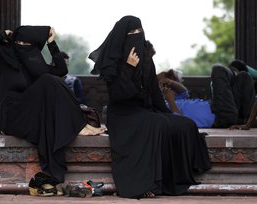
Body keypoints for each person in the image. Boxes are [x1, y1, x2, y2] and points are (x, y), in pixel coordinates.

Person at [88, 15, 211, 198]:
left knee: (184, 124)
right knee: (156, 125)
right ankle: (146, 183)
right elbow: (119, 95)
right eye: (132, 33)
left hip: (143, 111)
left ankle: (177, 177)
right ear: (123, 36)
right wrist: (129, 67)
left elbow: (154, 92)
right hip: (122, 115)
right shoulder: (113, 61)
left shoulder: (146, 59)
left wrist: (168, 114)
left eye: (140, 31)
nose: (137, 36)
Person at [0, 26, 105, 195]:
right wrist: (5, 34)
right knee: (48, 81)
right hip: (12, 116)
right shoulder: (5, 55)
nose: (21, 45)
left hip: (28, 113)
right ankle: (80, 125)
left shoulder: (34, 64)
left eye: (26, 43)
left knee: (52, 81)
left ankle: (79, 124)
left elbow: (61, 71)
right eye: (19, 42)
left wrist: (51, 43)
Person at [158, 60, 256, 128]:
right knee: (218, 69)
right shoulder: (160, 110)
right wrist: (170, 101)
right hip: (219, 115)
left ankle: (247, 120)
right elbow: (181, 122)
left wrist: (169, 82)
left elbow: (184, 91)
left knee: (244, 77)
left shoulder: (174, 99)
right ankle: (233, 71)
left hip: (222, 108)